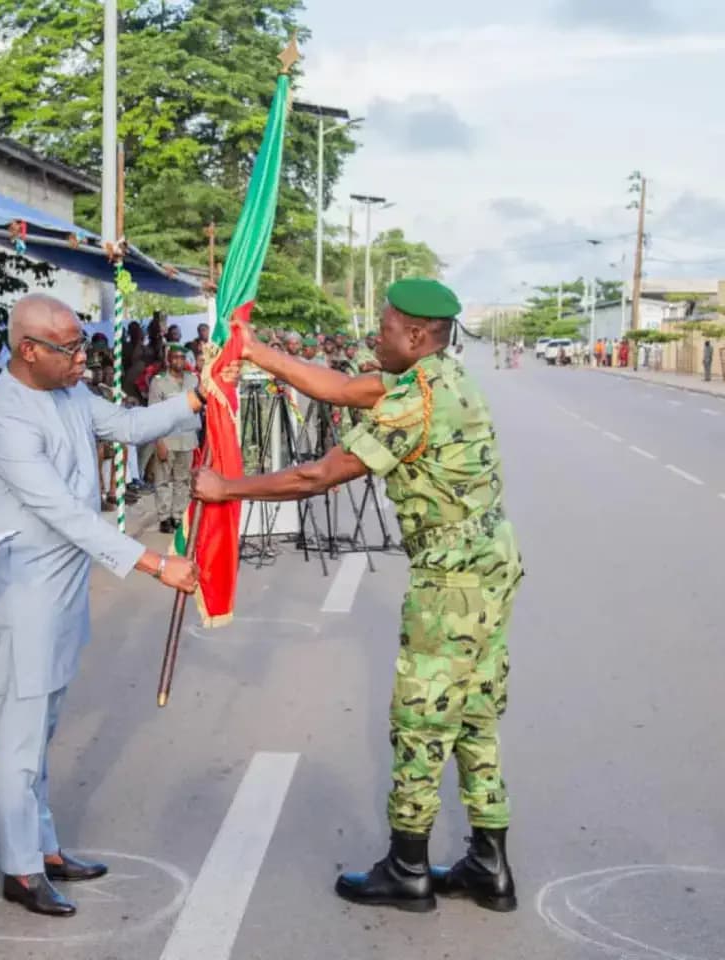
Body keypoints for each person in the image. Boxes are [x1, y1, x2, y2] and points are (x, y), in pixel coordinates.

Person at [193, 278, 522, 915]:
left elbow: (317, 475)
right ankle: (489, 862)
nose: (377, 336)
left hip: (452, 578)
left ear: (417, 336)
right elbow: (340, 389)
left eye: (387, 328)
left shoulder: (411, 403)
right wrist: (255, 352)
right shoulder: (446, 378)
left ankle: (407, 868)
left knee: (422, 720)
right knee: (476, 715)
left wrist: (225, 488)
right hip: (492, 563)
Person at [0, 293, 200, 919]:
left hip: (62, 586)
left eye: (79, 345)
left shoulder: (68, 393)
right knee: (20, 734)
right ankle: (20, 869)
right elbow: (66, 514)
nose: (83, 359)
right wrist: (154, 562)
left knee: (41, 729)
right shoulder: (5, 417)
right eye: (69, 348)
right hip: (25, 592)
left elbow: (125, 426)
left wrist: (197, 400)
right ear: (28, 350)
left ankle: (43, 848)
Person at [148, 345, 199, 533]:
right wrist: (158, 441)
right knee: (162, 479)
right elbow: (153, 414)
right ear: (169, 359)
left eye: (182, 357)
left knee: (183, 479)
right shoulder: (159, 382)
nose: (179, 361)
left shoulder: (192, 380)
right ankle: (164, 517)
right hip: (167, 438)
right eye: (175, 357)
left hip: (187, 437)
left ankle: (178, 515)